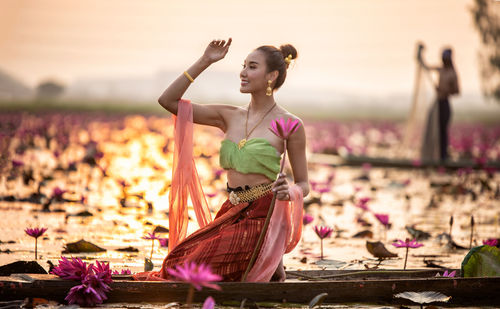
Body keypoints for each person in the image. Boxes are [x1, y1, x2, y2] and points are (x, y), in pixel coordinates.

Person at [133, 38, 309, 282]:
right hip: (232, 211)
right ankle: (268, 265)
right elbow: (168, 101)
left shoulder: (290, 124)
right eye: (243, 65)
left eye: (252, 67)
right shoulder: (229, 116)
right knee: (174, 263)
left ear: (272, 76)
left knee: (190, 270)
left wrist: (289, 191)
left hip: (264, 217)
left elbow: (303, 184)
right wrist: (205, 61)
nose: (243, 73)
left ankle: (269, 255)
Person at [417, 44, 460, 162]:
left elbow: (456, 91)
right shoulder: (440, 69)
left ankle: (443, 156)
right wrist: (420, 56)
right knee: (432, 129)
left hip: (445, 104)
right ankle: (433, 155)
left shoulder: (452, 73)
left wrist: (445, 90)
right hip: (437, 103)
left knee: (442, 131)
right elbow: (427, 68)